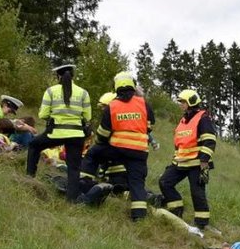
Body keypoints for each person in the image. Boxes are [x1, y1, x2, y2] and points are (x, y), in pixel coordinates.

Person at [81, 72, 154, 219]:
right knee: (137, 183)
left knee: (93, 154)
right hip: (139, 151)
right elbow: (150, 125)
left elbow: (103, 132)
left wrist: (101, 143)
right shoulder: (144, 104)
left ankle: (85, 183)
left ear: (116, 88)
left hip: (117, 149)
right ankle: (139, 217)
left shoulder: (112, 106)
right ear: (133, 86)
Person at [26, 64, 92, 202]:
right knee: (74, 168)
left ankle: (29, 179)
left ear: (58, 76)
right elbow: (87, 117)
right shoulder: (83, 93)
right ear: (73, 76)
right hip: (76, 135)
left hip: (55, 133)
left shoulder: (51, 91)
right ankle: (71, 200)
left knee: (33, 146)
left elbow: (43, 114)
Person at [159, 89, 217, 229]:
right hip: (181, 162)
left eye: (183, 102)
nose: (181, 105)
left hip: (197, 163)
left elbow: (210, 140)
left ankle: (202, 223)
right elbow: (179, 145)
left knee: (197, 192)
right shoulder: (183, 121)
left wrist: (204, 161)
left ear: (191, 102)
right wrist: (173, 162)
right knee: (165, 182)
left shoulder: (203, 118)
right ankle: (176, 211)